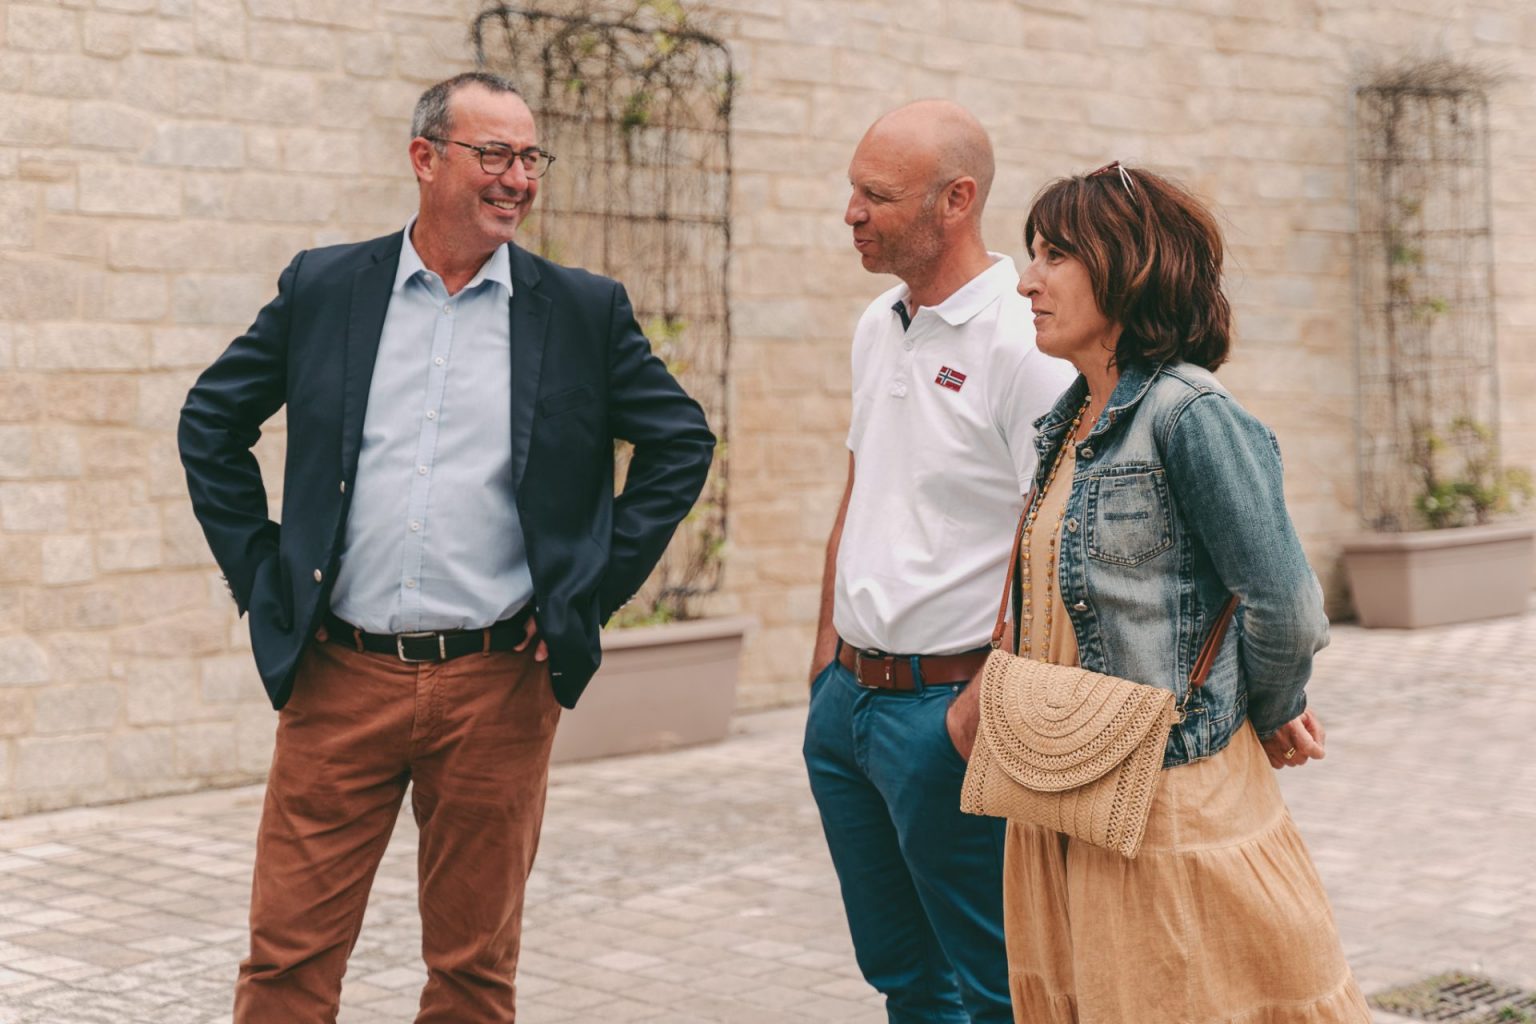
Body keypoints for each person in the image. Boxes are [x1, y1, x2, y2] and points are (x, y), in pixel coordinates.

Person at [177, 71, 714, 1023]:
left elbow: (680, 441)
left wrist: (588, 589)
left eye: (530, 158)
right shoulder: (325, 286)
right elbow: (211, 422)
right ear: (425, 159)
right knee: (287, 960)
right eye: (494, 154)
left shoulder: (581, 310)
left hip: (498, 686)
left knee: (472, 974)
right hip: (339, 677)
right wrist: (265, 575)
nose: (519, 178)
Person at [947, 162, 1370, 1023]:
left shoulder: (1189, 414)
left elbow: (1286, 605)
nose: (1027, 281)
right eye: (1033, 254)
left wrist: (1269, 707)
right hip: (1065, 789)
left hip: (1166, 799)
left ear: (1129, 266)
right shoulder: (1067, 423)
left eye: (1056, 255)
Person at [803, 100, 1075, 1024]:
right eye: (853, 189)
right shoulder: (877, 323)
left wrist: (982, 701)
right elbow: (859, 492)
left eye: (877, 196)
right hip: (847, 706)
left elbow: (1055, 535)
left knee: (999, 985)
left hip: (948, 713)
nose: (852, 212)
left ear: (956, 201)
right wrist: (824, 666)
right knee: (904, 978)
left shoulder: (1024, 341)